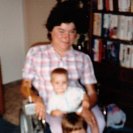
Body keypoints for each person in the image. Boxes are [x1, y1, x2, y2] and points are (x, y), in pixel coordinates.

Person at [21, 1, 105, 133]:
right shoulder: (35, 53)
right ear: (50, 30)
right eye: (61, 31)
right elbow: (25, 86)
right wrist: (36, 99)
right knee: (59, 129)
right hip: (52, 107)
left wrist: (85, 106)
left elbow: (92, 93)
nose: (67, 37)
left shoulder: (83, 58)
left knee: (99, 123)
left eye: (72, 32)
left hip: (78, 102)